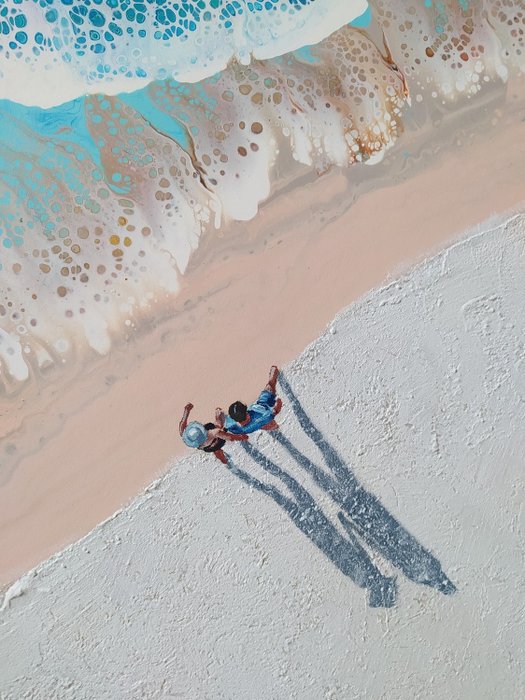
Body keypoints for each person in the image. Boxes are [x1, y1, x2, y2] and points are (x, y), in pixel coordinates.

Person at [221, 365, 283, 435]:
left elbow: (226, 427)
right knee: (270, 385)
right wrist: (278, 401)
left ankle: (272, 428)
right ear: (245, 410)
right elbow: (275, 411)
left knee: (263, 424)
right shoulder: (261, 414)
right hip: (262, 413)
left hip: (251, 428)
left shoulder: (235, 428)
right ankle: (274, 427)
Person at [179, 403, 247, 464]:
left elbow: (182, 424)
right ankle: (218, 414)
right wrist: (241, 437)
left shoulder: (187, 437)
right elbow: (230, 437)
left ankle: (224, 460)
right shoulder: (212, 433)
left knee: (217, 451)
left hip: (208, 448)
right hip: (219, 441)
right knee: (219, 424)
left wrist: (186, 411)